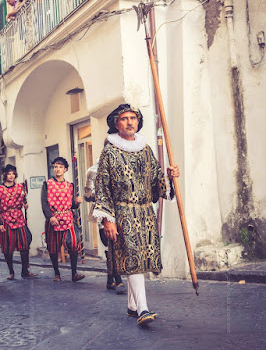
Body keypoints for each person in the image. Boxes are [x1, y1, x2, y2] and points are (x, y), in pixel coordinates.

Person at [93, 104, 179, 326]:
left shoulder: (145, 149)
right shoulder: (109, 152)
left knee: (140, 259)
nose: (130, 122)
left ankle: (132, 306)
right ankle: (143, 309)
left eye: (133, 118)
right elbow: (103, 187)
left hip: (144, 213)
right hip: (122, 212)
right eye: (124, 118)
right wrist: (107, 220)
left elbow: (156, 180)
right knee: (132, 258)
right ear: (116, 123)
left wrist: (170, 177)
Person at [84, 158, 126, 294]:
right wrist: (101, 195)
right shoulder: (93, 170)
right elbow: (87, 195)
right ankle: (118, 279)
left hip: (122, 211)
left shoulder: (123, 167)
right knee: (110, 243)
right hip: (104, 212)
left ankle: (110, 279)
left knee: (117, 245)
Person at [41, 157, 85, 282]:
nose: (57, 169)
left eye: (60, 167)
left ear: (65, 169)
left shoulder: (70, 185)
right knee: (53, 247)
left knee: (73, 244)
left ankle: (74, 274)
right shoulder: (47, 184)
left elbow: (71, 205)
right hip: (53, 219)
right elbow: (44, 203)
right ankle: (57, 273)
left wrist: (76, 203)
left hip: (67, 218)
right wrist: (50, 217)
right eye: (55, 167)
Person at [0, 164, 37, 280]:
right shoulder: (0, 189)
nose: (11, 176)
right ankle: (11, 272)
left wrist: (25, 204)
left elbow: (24, 200)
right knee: (7, 247)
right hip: (5, 219)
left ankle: (24, 271)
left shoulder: (20, 187)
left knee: (24, 245)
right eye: (9, 174)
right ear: (5, 175)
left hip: (19, 218)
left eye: (13, 174)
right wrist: (0, 223)